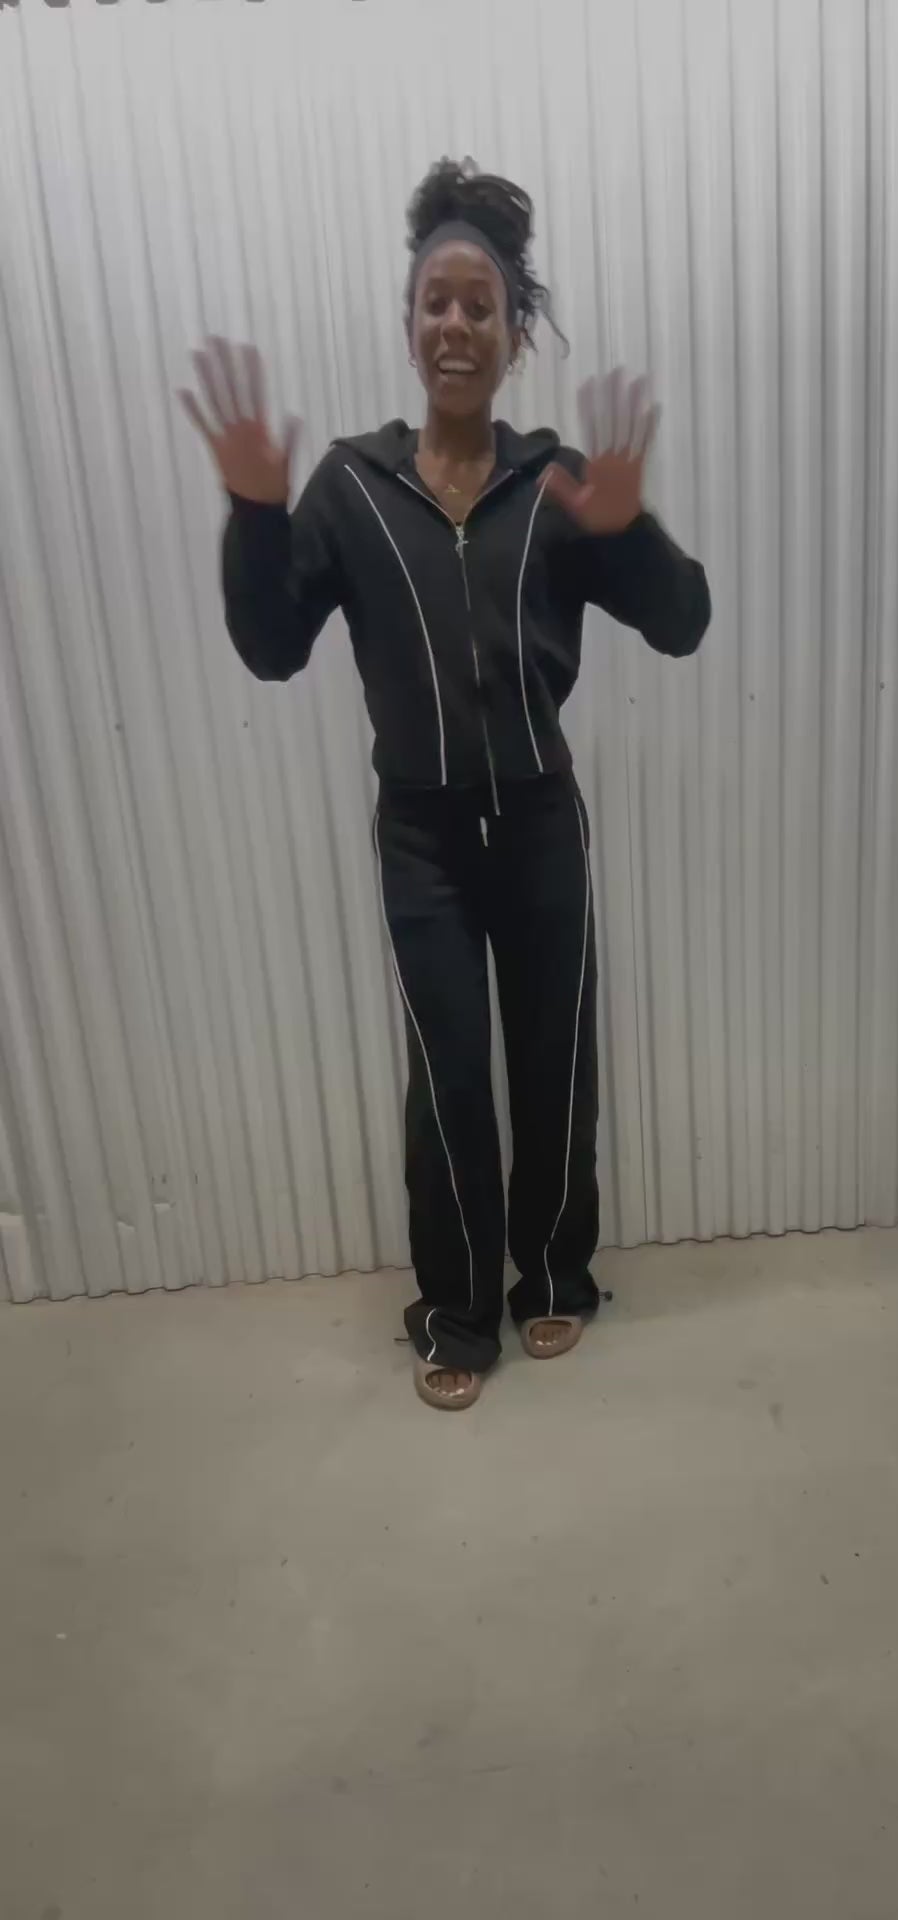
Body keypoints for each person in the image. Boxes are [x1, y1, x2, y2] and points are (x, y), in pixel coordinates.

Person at [180, 159, 710, 1410]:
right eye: (437, 302)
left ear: (513, 335)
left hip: (539, 823)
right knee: (452, 1073)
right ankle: (459, 1311)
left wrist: (629, 532)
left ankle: (555, 1277)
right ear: (410, 324)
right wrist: (254, 515)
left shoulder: (556, 483)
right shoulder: (350, 489)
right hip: (420, 838)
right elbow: (270, 648)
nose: (456, 324)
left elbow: (683, 622)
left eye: (482, 305)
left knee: (554, 1060)